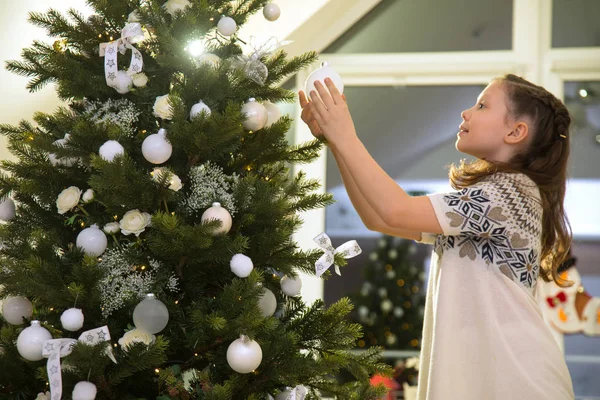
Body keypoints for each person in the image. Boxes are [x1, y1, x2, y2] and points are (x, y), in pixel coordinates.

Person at [298, 74, 575, 400]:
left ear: (515, 132)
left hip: (516, 380)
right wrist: (335, 140)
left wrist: (345, 136)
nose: (466, 113)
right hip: (502, 376)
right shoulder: (489, 197)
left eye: (483, 105)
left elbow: (394, 210)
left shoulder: (509, 193)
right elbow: (377, 217)